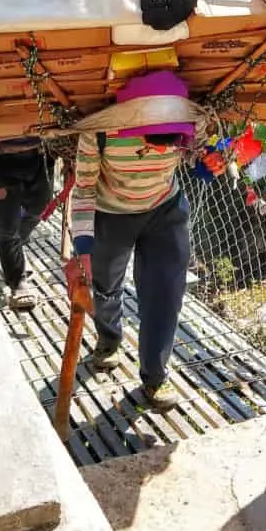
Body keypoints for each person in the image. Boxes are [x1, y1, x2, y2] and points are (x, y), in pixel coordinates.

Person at [69, 70, 194, 411]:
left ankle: (155, 377)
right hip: (111, 214)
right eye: (154, 140)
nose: (162, 148)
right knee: (106, 287)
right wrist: (82, 246)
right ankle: (109, 340)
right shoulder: (99, 133)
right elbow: (83, 190)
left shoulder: (188, 121)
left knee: (165, 294)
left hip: (164, 211)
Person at [0, 138, 54, 310]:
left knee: (40, 208)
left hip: (39, 154)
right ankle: (17, 281)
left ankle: (15, 248)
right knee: (6, 227)